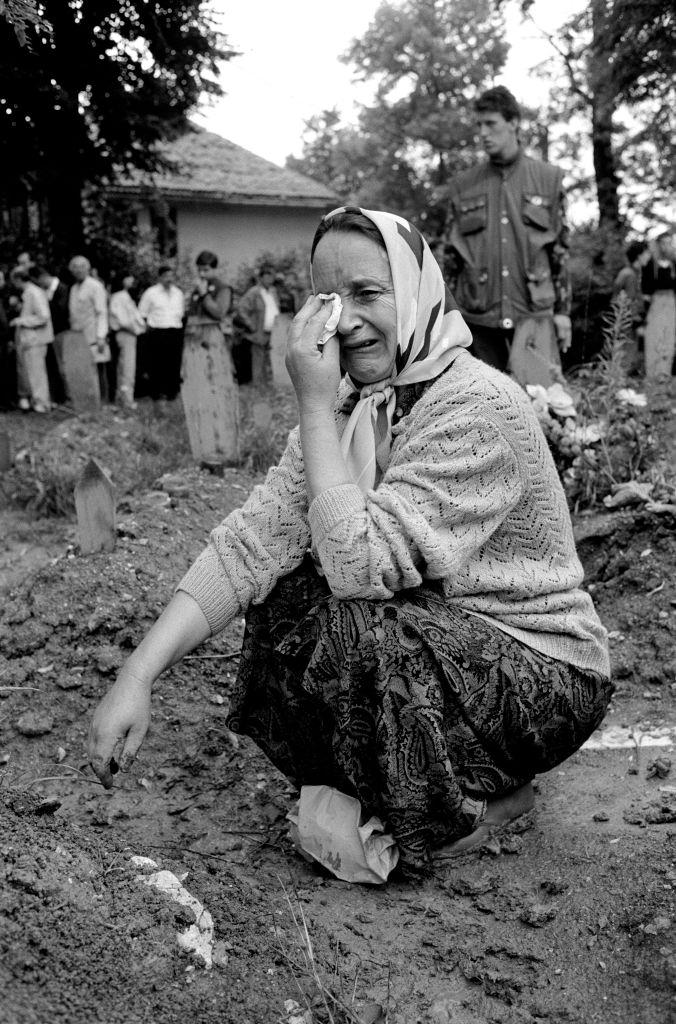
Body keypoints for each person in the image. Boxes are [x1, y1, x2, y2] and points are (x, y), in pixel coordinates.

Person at [88, 207, 612, 872]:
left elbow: (359, 566)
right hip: (446, 641)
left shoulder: (477, 405)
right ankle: (423, 787)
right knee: (283, 601)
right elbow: (252, 541)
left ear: (416, 292)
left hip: (543, 672)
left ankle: (464, 812)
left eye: (368, 293)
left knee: (358, 628)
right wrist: (138, 675)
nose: (346, 319)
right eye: (328, 299)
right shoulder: (353, 403)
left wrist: (310, 408)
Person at [446, 86, 571, 387]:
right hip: (478, 320)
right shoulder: (463, 186)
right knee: (483, 410)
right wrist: (448, 318)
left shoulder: (548, 179)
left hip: (533, 314)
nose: (483, 133)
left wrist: (563, 313)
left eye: (491, 124)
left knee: (544, 409)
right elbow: (450, 259)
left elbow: (561, 252)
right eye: (479, 125)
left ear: (513, 122)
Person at [9, 266, 54, 413]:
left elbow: (43, 316)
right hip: (30, 340)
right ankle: (36, 401)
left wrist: (21, 321)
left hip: (37, 339)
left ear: (18, 279)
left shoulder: (34, 292)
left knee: (37, 372)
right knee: (30, 372)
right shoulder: (28, 293)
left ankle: (42, 403)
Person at [137, 266, 185, 401]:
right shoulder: (151, 293)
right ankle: (156, 393)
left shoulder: (178, 293)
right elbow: (142, 313)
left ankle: (172, 392)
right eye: (166, 276)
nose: (169, 279)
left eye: (171, 276)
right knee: (157, 363)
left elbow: (180, 313)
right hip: (157, 332)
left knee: (174, 362)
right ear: (160, 277)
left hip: (174, 331)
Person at [68, 255, 111, 401]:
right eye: (75, 267)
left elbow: (102, 312)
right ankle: (89, 400)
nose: (78, 270)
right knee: (84, 370)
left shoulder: (95, 286)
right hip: (79, 336)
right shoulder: (74, 288)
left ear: (88, 268)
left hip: (94, 335)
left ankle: (102, 402)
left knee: (98, 369)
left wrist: (101, 336)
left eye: (82, 267)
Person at [641, 231, 676, 379]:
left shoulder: (674, 263)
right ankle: (652, 374)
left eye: (669, 242)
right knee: (654, 336)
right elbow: (646, 288)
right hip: (655, 304)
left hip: (671, 303)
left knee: (669, 338)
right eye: (663, 243)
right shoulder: (651, 264)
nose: (666, 246)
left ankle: (665, 372)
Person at [237, 264, 279, 385]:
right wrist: (251, 325)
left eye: (271, 276)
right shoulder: (254, 292)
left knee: (271, 358)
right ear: (260, 278)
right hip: (259, 330)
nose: (270, 279)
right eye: (267, 277)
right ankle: (257, 384)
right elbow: (241, 308)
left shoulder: (273, 291)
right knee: (258, 358)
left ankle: (270, 383)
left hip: (273, 331)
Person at [109, 274, 145, 409]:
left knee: (125, 366)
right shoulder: (119, 296)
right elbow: (123, 320)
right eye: (129, 278)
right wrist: (137, 328)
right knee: (127, 367)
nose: (132, 280)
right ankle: (126, 399)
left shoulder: (123, 296)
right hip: (126, 334)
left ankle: (123, 397)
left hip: (128, 333)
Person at [37, 267, 70, 404]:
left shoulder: (62, 289)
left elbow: (61, 311)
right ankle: (59, 396)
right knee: (55, 366)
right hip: (51, 334)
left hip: (61, 332)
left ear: (44, 277)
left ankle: (67, 396)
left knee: (63, 365)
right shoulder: (47, 291)